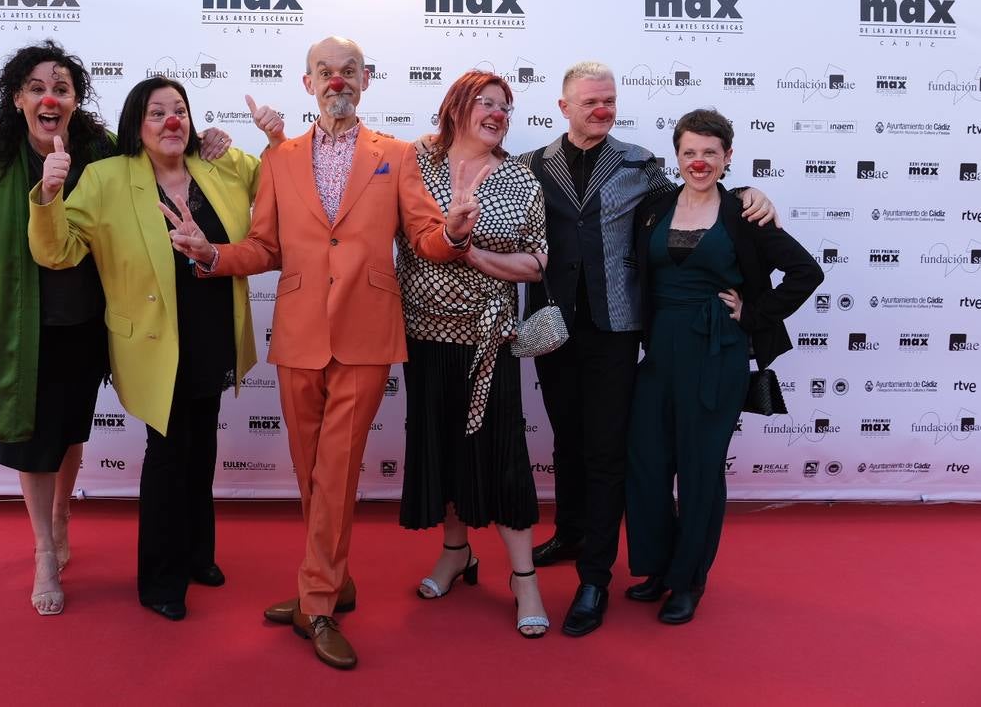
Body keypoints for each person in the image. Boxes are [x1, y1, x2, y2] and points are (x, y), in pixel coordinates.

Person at [163, 35, 486, 670]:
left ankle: (317, 603)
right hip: (299, 334)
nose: (337, 81)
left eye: (349, 71)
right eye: (325, 72)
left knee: (336, 470)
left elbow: (423, 236)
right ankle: (334, 579)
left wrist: (448, 232)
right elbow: (264, 246)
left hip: (365, 334)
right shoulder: (280, 157)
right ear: (308, 83)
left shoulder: (396, 155)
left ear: (366, 79)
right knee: (312, 470)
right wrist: (212, 255)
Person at [0, 43, 229, 617]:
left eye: (63, 87)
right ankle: (45, 551)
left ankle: (61, 514)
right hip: (21, 326)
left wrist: (206, 144)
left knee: (71, 429)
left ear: (75, 100)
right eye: (37, 87)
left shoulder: (99, 151)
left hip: (86, 320)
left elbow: (159, 159)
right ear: (18, 98)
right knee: (33, 437)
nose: (50, 96)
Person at [516, 60, 776, 638]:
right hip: (553, 326)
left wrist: (752, 193)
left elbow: (701, 197)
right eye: (590, 102)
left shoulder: (641, 165)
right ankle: (574, 529)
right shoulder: (529, 167)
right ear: (564, 107)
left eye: (609, 100)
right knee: (568, 441)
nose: (602, 110)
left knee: (609, 451)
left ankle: (594, 578)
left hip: (617, 329)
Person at [27, 76, 283, 621]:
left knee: (203, 446)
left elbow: (283, 191)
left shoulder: (224, 166)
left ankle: (196, 555)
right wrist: (48, 196)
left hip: (213, 331)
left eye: (181, 110)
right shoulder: (104, 177)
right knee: (168, 454)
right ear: (136, 126)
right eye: (157, 112)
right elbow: (57, 252)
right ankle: (159, 580)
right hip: (150, 341)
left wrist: (274, 140)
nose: (173, 120)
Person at [626, 109, 822, 623]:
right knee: (646, 464)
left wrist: (754, 314)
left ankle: (689, 579)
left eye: (710, 153)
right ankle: (658, 567)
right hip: (659, 351)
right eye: (690, 152)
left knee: (699, 469)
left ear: (727, 157)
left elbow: (806, 271)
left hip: (717, 352)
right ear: (677, 155)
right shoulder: (654, 207)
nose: (699, 161)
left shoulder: (744, 212)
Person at [397, 70, 550, 638]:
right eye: (485, 102)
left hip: (491, 339)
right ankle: (456, 552)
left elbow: (536, 263)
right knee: (442, 450)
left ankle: (524, 577)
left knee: (502, 455)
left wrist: (470, 253)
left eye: (505, 107)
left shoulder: (520, 178)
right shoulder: (414, 161)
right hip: (425, 337)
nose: (496, 113)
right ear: (455, 106)